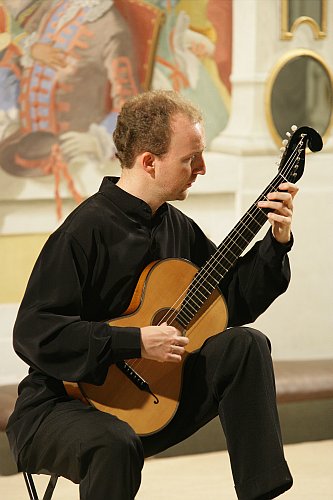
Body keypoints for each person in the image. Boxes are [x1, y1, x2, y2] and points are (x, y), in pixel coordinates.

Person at [6, 90, 297, 500]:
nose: (202, 168)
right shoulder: (83, 231)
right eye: (189, 158)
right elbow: (35, 332)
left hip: (152, 402)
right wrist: (136, 341)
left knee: (245, 345)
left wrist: (277, 242)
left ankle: (261, 493)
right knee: (114, 442)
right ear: (148, 161)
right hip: (59, 407)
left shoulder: (178, 227)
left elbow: (231, 302)